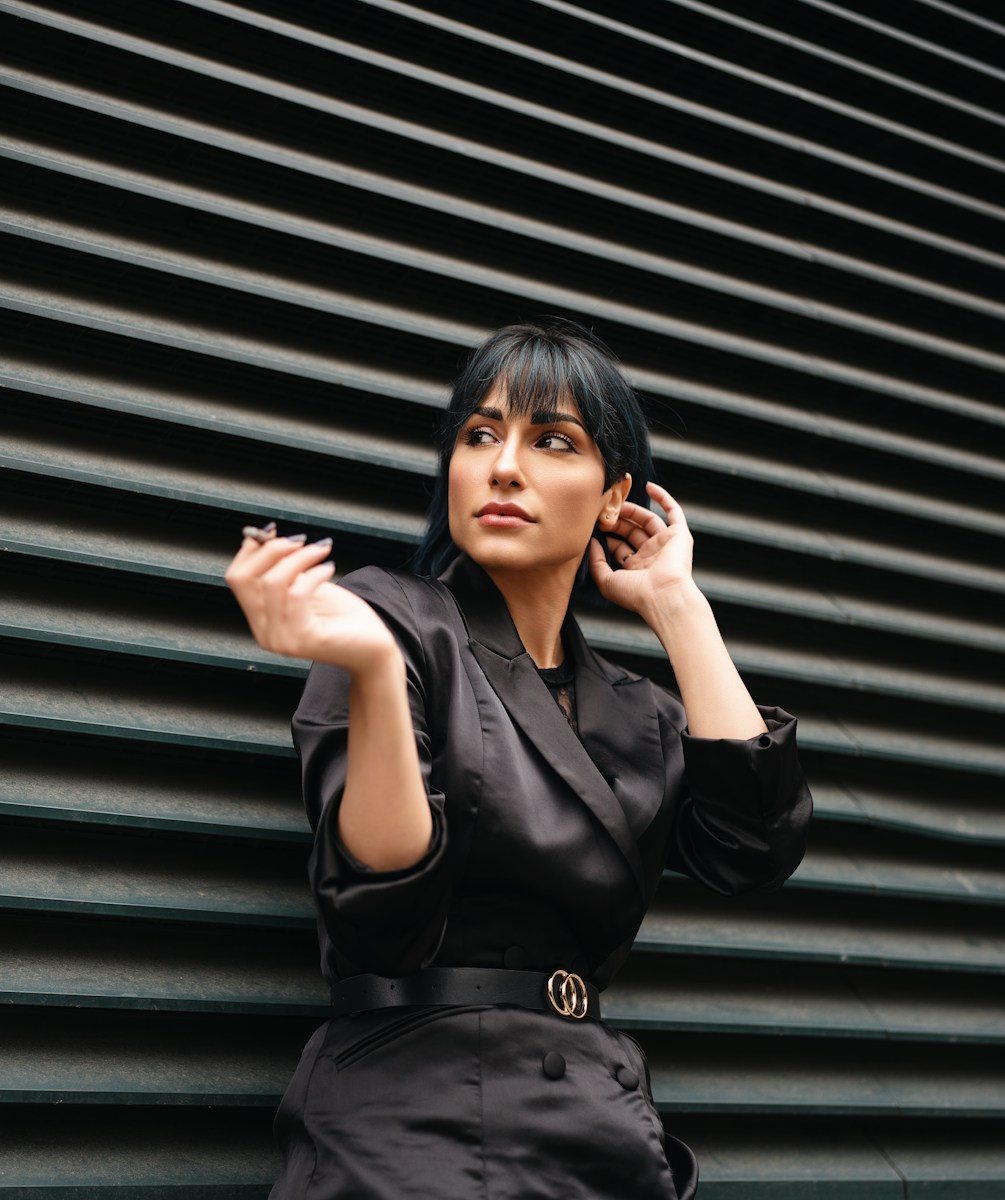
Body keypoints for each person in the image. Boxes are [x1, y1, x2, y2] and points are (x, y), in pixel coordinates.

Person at [225, 320, 812, 1200]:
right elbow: (378, 904)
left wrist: (677, 605)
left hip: (601, 1124)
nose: (504, 466)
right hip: (415, 1115)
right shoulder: (388, 621)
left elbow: (752, 845)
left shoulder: (634, 708)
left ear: (615, 494)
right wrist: (377, 670)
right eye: (480, 435)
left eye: (552, 441)